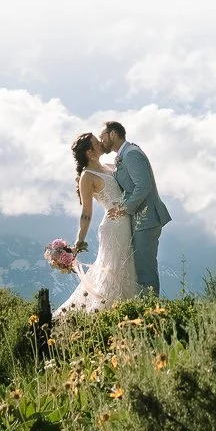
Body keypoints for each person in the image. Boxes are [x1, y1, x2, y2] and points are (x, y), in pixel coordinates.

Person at [54, 131, 140, 316]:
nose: (101, 143)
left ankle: (126, 311)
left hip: (127, 221)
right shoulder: (87, 176)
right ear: (89, 152)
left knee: (126, 267)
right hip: (114, 226)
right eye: (96, 142)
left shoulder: (110, 166)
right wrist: (79, 241)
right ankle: (107, 313)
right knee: (115, 269)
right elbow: (86, 212)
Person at [100, 120, 171, 297]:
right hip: (141, 219)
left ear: (113, 134)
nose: (101, 141)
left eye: (103, 136)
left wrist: (124, 209)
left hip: (147, 219)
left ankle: (152, 313)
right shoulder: (126, 154)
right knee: (140, 268)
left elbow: (143, 187)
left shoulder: (131, 154)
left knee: (145, 270)